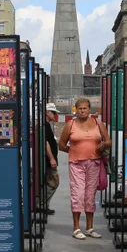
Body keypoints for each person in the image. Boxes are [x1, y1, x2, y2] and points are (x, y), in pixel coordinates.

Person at [57, 97, 111, 240]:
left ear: (89, 109)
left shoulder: (98, 123)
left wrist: (104, 145)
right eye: (79, 108)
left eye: (85, 108)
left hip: (94, 162)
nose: (82, 111)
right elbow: (61, 144)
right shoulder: (71, 124)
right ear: (76, 110)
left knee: (90, 195)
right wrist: (74, 151)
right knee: (78, 193)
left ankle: (90, 227)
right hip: (76, 163)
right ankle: (76, 227)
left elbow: (109, 140)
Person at [44, 103, 61, 211]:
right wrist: (51, 158)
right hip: (49, 161)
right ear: (47, 112)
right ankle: (41, 204)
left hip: (50, 160)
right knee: (53, 182)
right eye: (53, 112)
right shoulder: (45, 126)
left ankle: (43, 205)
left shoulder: (46, 125)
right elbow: (46, 143)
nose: (54, 115)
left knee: (50, 182)